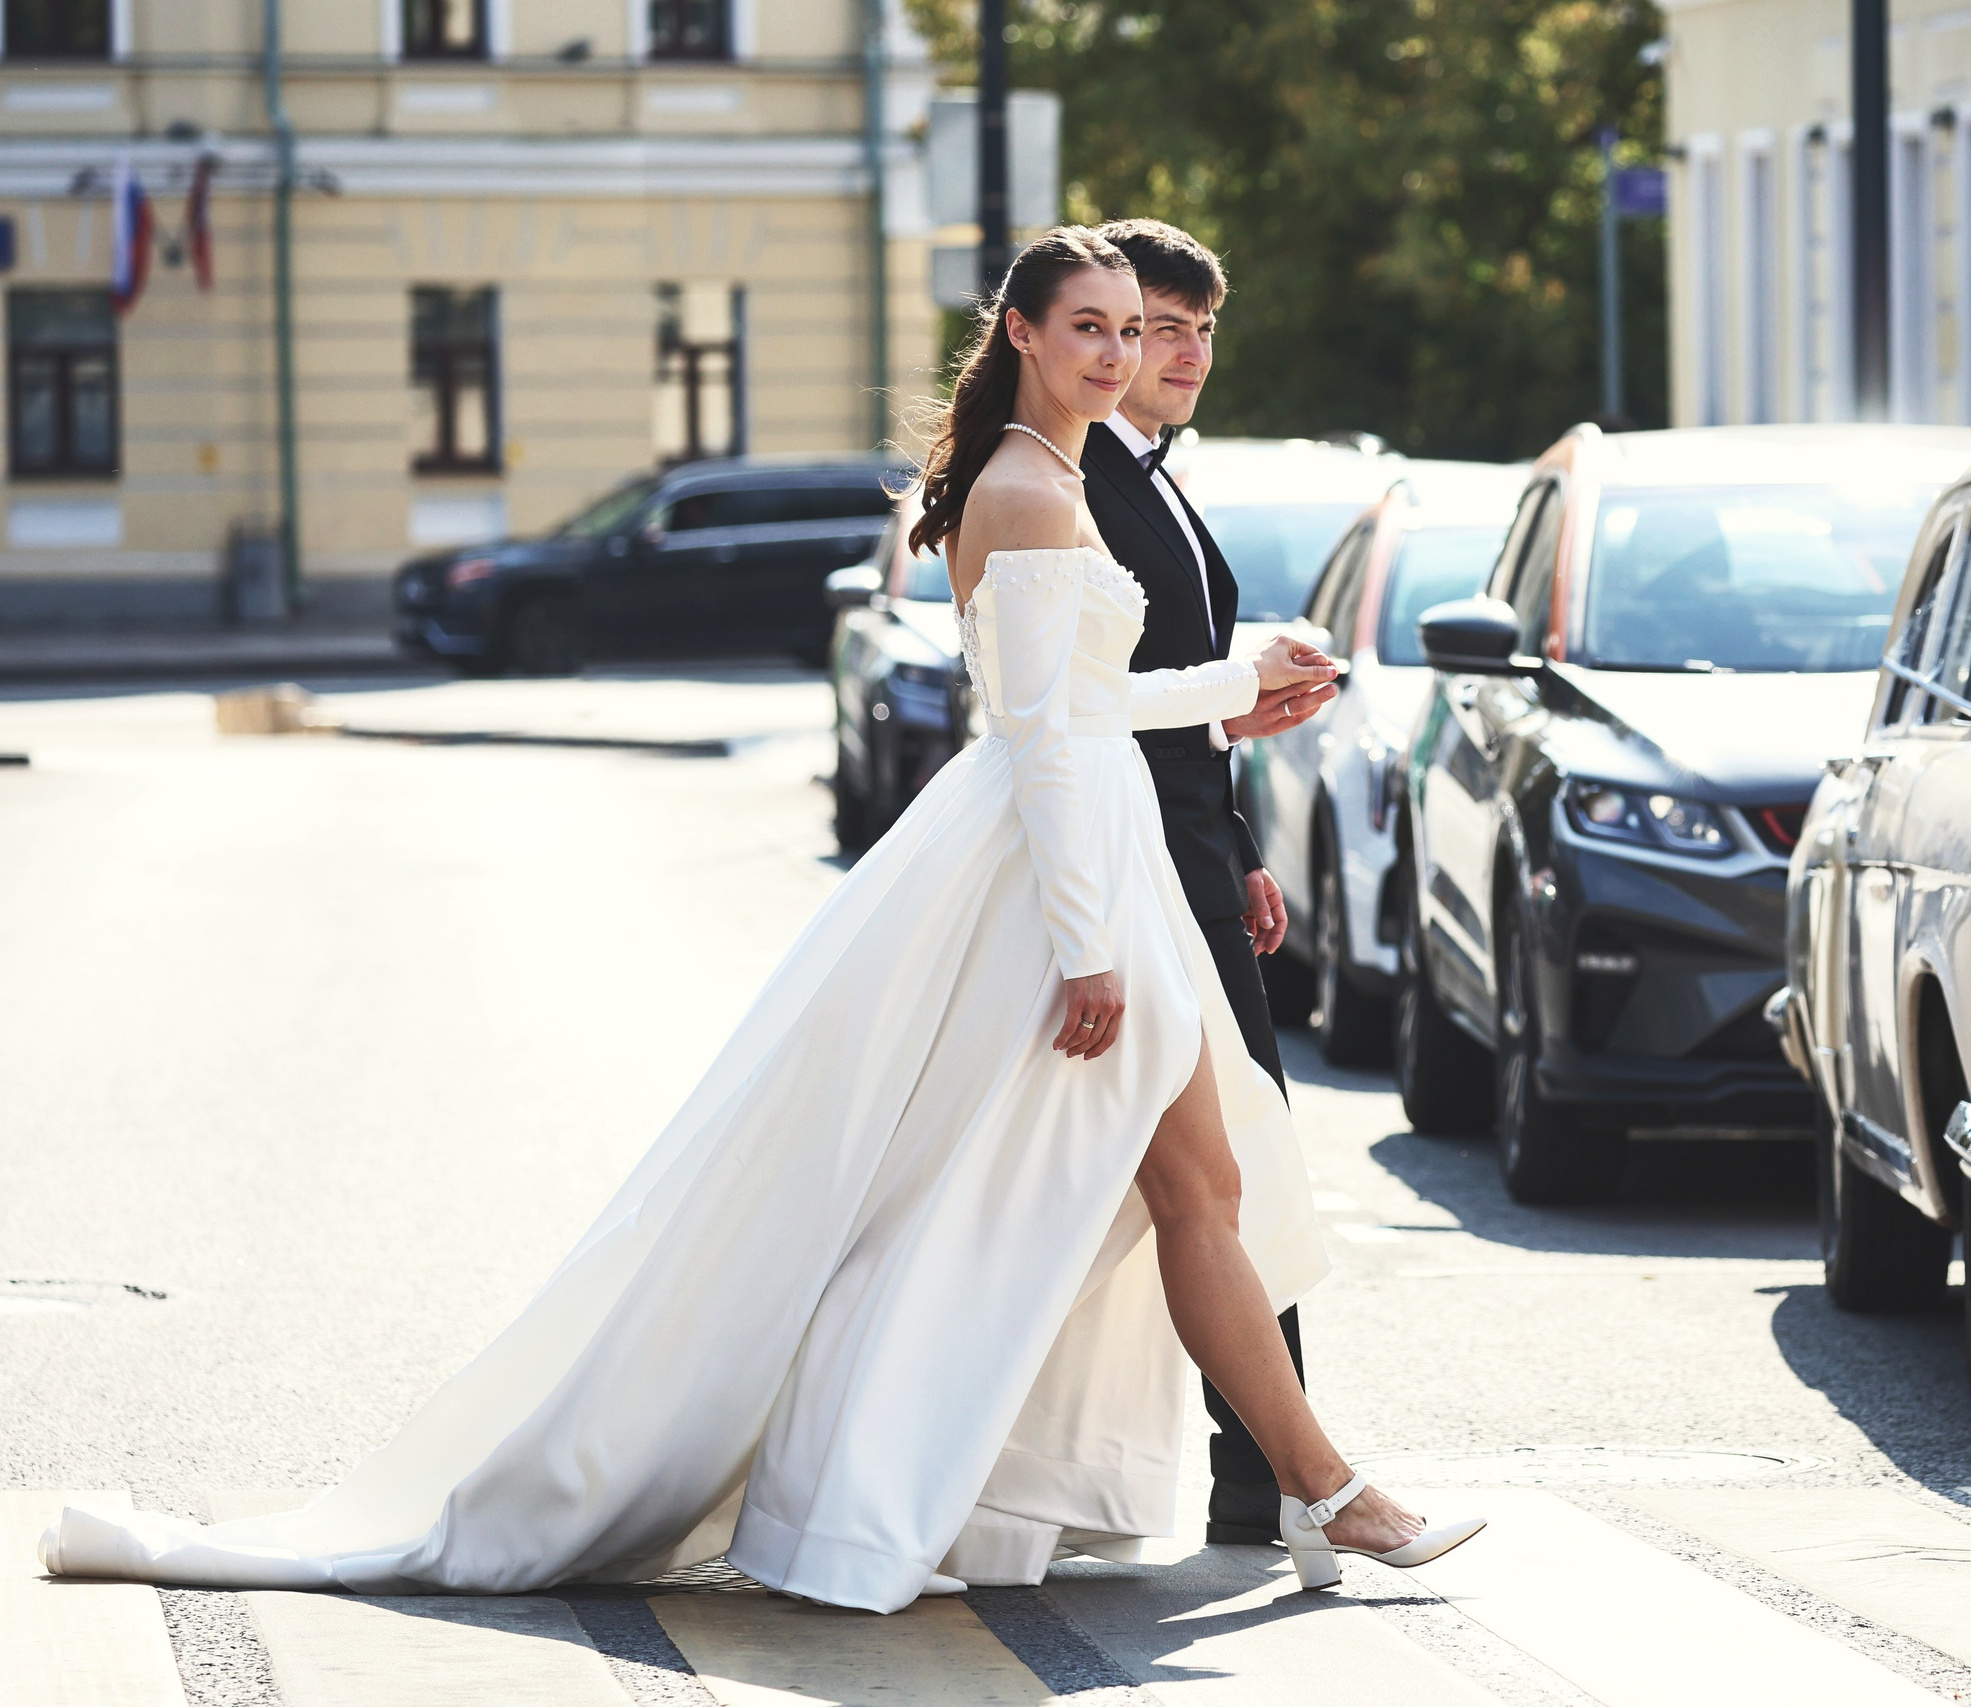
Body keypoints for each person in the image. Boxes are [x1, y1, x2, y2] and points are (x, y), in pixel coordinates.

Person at [38, 226, 1482, 1613]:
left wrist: (1235, 683)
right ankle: (1282, 1484)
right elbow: (1043, 742)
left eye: (1132, 330)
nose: (1117, 354)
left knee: (1182, 1189)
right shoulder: (1035, 489)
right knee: (1029, 1198)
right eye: (1089, 329)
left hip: (1092, 849)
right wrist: (1089, 942)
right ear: (1023, 337)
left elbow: (1086, 706)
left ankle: (1300, 1482)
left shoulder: (1050, 472)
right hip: (1067, 877)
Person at [1078, 217, 1316, 1548]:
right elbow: (1084, 701)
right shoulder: (1082, 480)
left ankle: (1267, 1472)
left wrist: (1241, 836)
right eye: (1157, 327)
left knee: (1225, 1171)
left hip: (1193, 851)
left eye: (1197, 330)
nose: (1183, 355)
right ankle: (1281, 1471)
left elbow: (1169, 696)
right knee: (1236, 1171)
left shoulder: (1152, 470)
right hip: (1138, 870)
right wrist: (1237, 694)